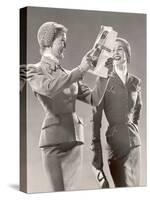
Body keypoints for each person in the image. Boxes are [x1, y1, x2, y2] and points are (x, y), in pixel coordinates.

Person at [26, 21, 110, 191]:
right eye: (62, 41)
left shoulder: (68, 74)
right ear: (48, 42)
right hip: (53, 144)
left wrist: (104, 72)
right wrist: (80, 69)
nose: (66, 45)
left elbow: (94, 99)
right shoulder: (33, 70)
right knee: (58, 192)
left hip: (75, 142)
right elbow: (50, 89)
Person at [91, 37, 142, 187]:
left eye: (119, 48)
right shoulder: (103, 81)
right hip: (116, 145)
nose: (115, 52)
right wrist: (95, 150)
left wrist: (134, 127)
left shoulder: (135, 82)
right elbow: (96, 118)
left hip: (135, 146)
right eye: (112, 50)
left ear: (127, 53)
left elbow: (138, 107)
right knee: (123, 189)